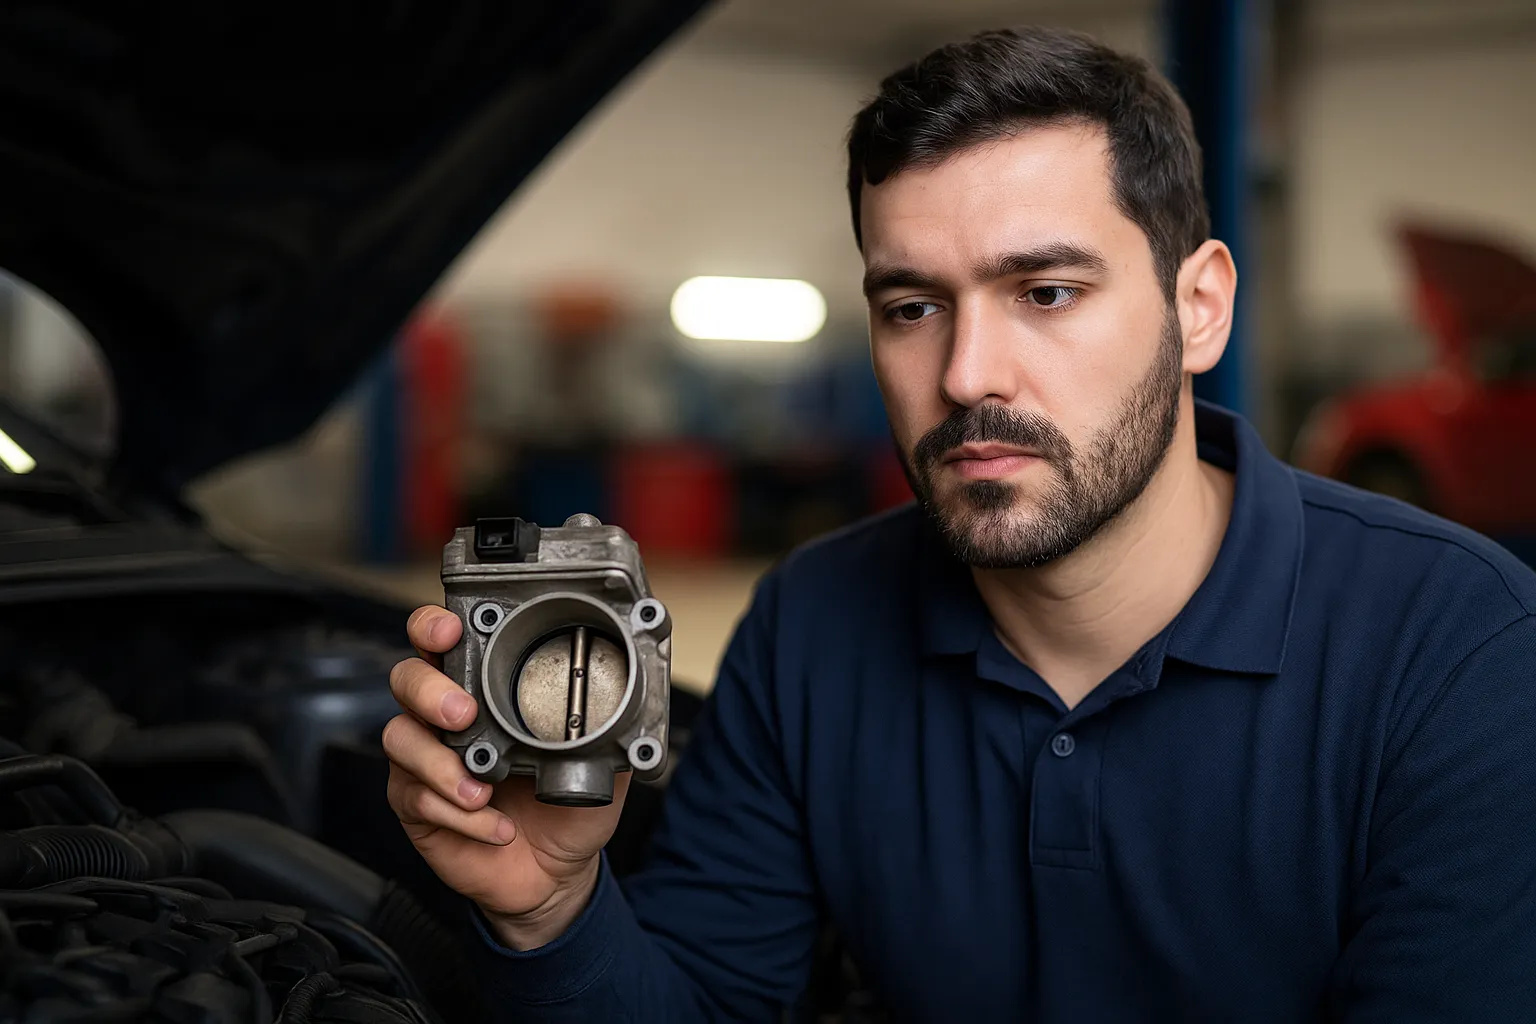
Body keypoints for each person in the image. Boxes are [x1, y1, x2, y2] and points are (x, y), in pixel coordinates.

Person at [382, 26, 1536, 1022]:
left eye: (1046, 293)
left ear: (1200, 307)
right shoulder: (813, 625)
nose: (969, 373)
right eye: (912, 306)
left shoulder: (1460, 650)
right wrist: (549, 909)